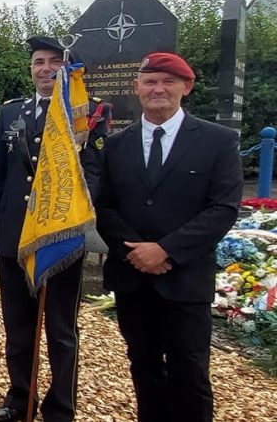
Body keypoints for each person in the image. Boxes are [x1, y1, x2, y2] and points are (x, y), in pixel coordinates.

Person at [95, 52, 241, 422]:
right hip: (133, 277)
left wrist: (166, 251)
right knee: (143, 366)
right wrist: (136, 252)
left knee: (189, 370)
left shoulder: (218, 141)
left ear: (186, 87)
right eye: (150, 81)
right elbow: (105, 206)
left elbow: (222, 208)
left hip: (185, 278)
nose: (158, 88)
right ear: (137, 88)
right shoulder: (116, 145)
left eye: (168, 81)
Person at [0, 36, 110, 422]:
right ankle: (20, 398)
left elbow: (95, 173)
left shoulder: (85, 113)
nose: (45, 68)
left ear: (66, 68)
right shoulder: (12, 113)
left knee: (61, 332)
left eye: (54, 61)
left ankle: (60, 408)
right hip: (15, 236)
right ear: (31, 68)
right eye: (38, 61)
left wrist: (63, 215)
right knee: (18, 329)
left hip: (59, 237)